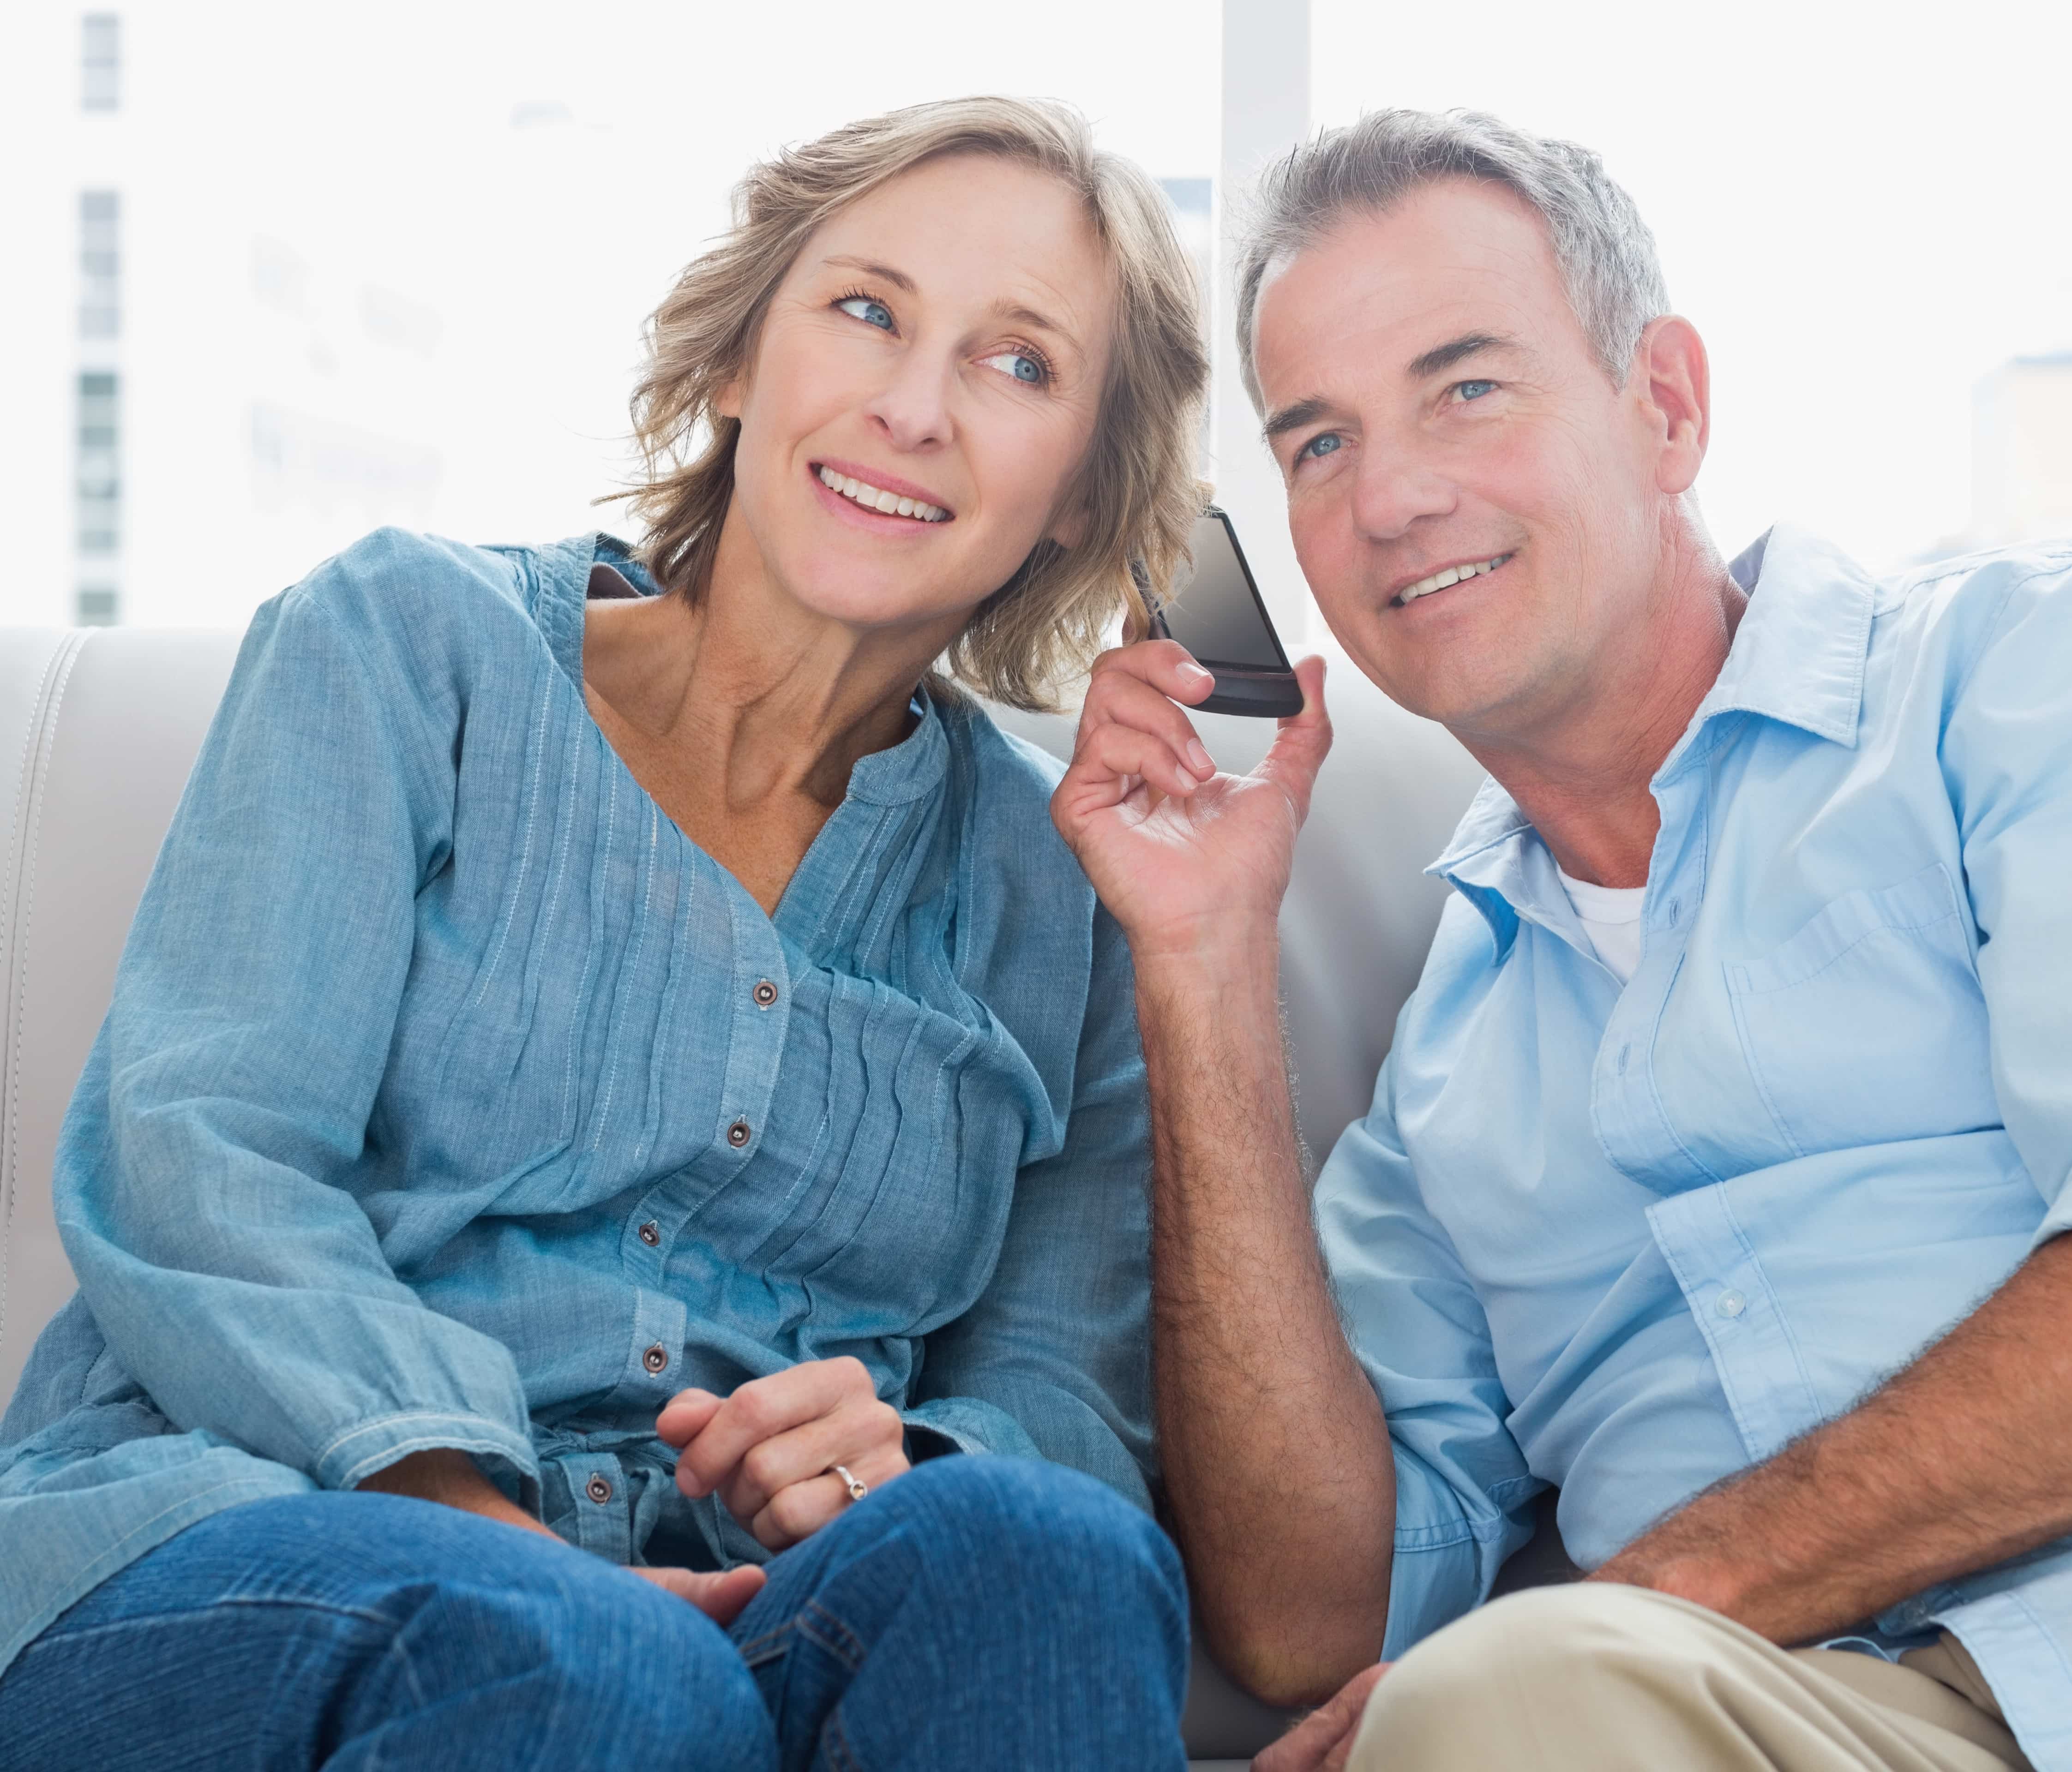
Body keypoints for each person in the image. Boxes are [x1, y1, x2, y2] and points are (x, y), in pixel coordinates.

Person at [1052, 108, 2072, 1772]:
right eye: (1318, 443)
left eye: (1467, 387)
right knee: (1496, 1710)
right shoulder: (1450, 1065)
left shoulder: (2050, 671)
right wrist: (1205, 964)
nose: (1391, 495)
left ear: (1663, 407)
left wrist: (1669, 1587)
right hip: (1853, 1714)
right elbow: (1311, 1620)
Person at [0, 96, 1204, 1772]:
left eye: (1021, 367)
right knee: (591, 1670)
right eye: (865, 310)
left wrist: (911, 1457)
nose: (914, 408)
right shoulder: (409, 645)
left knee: (1048, 1559)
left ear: (1082, 494)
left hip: (750, 1601)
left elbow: (1067, 1409)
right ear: (736, 362)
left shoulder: (1067, 875)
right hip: (254, 1527)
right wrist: (484, 1519)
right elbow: (201, 1162)